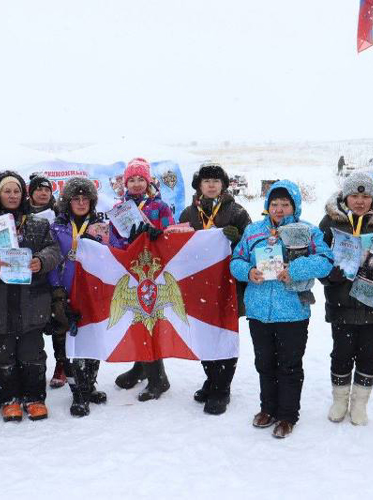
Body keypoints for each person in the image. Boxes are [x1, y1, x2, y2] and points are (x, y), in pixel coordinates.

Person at [230, 180, 332, 438]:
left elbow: (325, 261)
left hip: (293, 311)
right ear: (267, 206)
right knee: (264, 363)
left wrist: (295, 271)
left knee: (289, 365)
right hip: (258, 311)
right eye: (274, 204)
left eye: (285, 204)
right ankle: (268, 409)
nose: (279, 209)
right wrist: (248, 272)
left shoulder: (307, 231)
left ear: (294, 206)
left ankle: (287, 415)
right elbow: (236, 261)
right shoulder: (254, 231)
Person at [0, 171, 61, 423]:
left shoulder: (38, 223)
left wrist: (40, 261)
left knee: (32, 352)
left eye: (16, 191)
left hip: (31, 300)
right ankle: (8, 398)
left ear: (24, 194)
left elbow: (54, 250)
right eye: (7, 191)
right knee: (1, 353)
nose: (12, 195)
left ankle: (34, 397)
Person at [319, 172, 373, 425]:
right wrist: (328, 275)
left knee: (369, 354)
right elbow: (319, 253)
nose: (359, 201)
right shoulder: (330, 221)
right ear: (345, 197)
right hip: (341, 301)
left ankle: (359, 404)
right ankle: (339, 400)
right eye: (354, 196)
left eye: (365, 196)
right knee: (341, 353)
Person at [178, 162, 251, 415]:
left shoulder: (237, 212)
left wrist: (238, 239)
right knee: (202, 336)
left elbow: (254, 245)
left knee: (225, 335)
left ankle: (222, 389)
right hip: (197, 288)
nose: (211, 185)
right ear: (199, 185)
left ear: (223, 185)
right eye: (206, 181)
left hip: (229, 285)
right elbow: (179, 250)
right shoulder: (188, 214)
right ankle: (212, 378)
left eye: (216, 181)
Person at [110, 158, 175, 402]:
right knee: (135, 320)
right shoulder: (119, 208)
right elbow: (114, 241)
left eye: (140, 179)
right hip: (130, 272)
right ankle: (141, 367)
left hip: (154, 273)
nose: (136, 184)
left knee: (151, 321)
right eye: (132, 179)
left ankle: (158, 378)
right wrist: (128, 243)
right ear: (125, 183)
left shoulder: (160, 207)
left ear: (148, 182)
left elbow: (173, 237)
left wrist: (159, 236)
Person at [48, 177, 109, 416]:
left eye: (86, 198)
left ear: (92, 201)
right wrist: (56, 290)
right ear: (68, 201)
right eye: (76, 198)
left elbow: (115, 251)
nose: (81, 202)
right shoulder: (56, 226)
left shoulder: (102, 226)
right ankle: (78, 395)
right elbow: (52, 260)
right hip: (65, 293)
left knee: (93, 343)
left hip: (94, 294)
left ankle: (89, 385)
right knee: (69, 348)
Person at [27, 174, 66, 388]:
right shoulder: (21, 214)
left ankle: (61, 365)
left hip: (54, 277)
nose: (43, 193)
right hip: (29, 278)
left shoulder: (60, 213)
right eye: (38, 189)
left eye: (47, 189)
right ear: (31, 192)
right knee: (33, 327)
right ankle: (34, 368)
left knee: (59, 323)